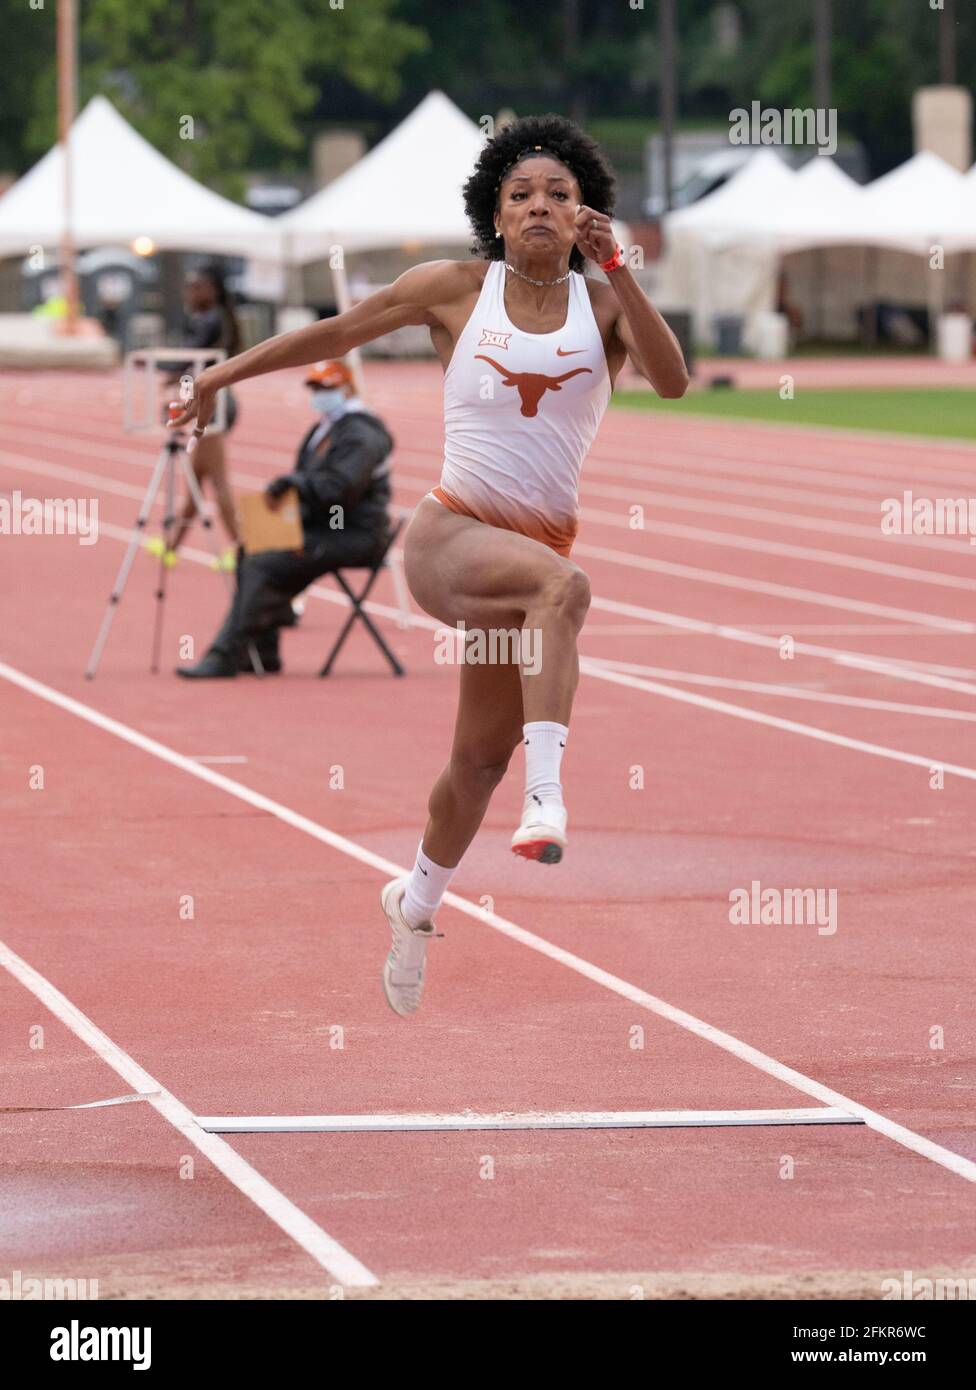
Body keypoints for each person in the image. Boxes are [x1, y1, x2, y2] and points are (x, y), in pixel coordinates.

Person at [169, 113, 688, 1015]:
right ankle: (551, 800)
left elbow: (674, 381)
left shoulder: (605, 302)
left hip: (521, 568)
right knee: (569, 589)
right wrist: (218, 378)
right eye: (520, 193)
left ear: (585, 216)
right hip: (450, 543)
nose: (537, 206)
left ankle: (412, 905)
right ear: (494, 212)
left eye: (558, 196)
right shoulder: (452, 289)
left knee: (475, 762)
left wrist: (622, 270)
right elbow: (335, 334)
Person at [176, 359, 392, 678]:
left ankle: (224, 656)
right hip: (325, 525)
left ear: (348, 389)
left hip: (352, 533)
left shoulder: (360, 432)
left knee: (265, 562)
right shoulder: (328, 427)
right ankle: (263, 651)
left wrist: (293, 484)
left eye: (326, 387)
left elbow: (338, 489)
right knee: (251, 548)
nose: (318, 394)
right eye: (315, 387)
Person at [164, 265, 243, 562]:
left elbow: (187, 358)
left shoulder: (211, 320)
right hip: (214, 401)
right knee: (197, 480)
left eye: (197, 287)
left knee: (218, 480)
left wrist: (158, 369)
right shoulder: (213, 318)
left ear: (213, 290)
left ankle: (241, 547)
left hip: (214, 404)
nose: (190, 293)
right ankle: (172, 547)